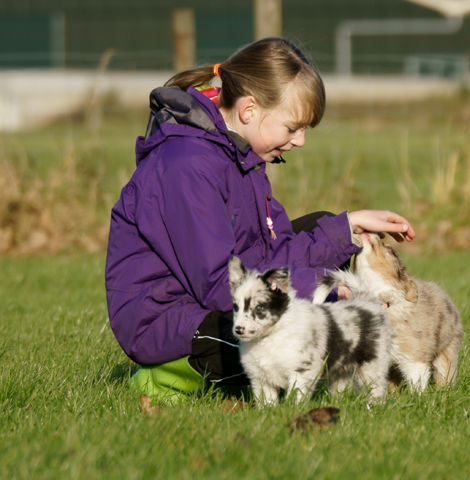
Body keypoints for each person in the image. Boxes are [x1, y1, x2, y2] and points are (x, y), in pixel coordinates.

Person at [105, 37, 415, 405]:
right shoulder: (186, 166)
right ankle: (166, 376)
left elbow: (273, 251)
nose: (300, 141)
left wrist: (347, 229)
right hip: (169, 319)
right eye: (293, 128)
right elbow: (217, 284)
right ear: (249, 109)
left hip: (219, 297)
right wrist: (326, 293)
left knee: (328, 235)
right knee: (287, 340)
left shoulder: (243, 156)